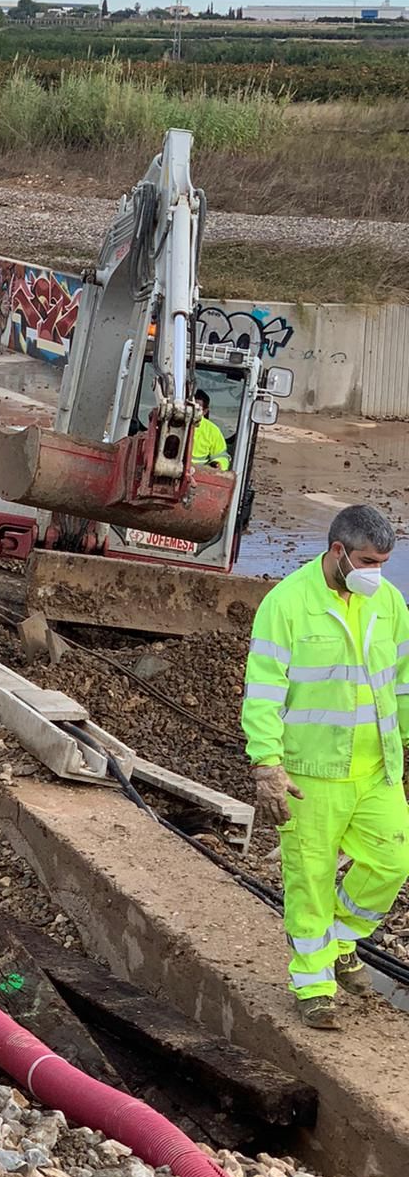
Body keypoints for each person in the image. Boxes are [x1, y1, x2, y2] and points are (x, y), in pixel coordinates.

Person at [242, 504, 409, 1030]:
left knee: (391, 864)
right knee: (310, 879)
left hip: (376, 770)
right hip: (311, 774)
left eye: (383, 561)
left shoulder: (390, 603)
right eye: (366, 560)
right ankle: (313, 985)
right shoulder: (287, 604)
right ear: (337, 551)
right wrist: (266, 764)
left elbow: (401, 682)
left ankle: (340, 942)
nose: (375, 572)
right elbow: (264, 688)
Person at [191, 388, 229, 470]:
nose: (193, 411)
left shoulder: (212, 431)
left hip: (200, 475)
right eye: (191, 407)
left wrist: (218, 464)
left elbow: (222, 456)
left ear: (205, 411)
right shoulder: (170, 423)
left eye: (198, 409)